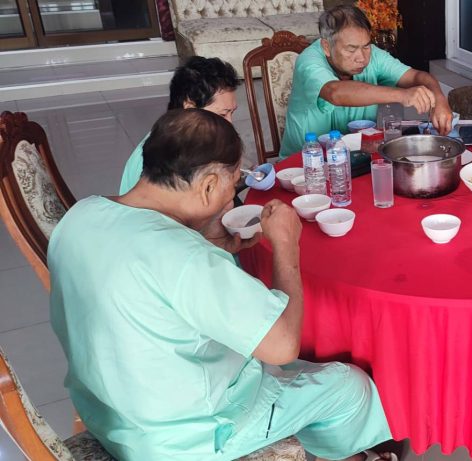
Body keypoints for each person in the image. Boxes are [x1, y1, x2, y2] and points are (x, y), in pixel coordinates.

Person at [49, 109, 393, 461]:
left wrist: (205, 243)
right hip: (184, 439)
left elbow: (143, 276)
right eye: (232, 185)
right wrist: (286, 246)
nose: (231, 199)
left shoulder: (81, 215)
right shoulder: (184, 256)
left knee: (285, 367)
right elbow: (283, 345)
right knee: (349, 387)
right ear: (209, 184)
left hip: (109, 414)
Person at [280, 4, 453, 157]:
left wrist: (439, 99)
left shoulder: (373, 55)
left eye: (366, 46)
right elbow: (335, 93)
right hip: (305, 165)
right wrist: (403, 95)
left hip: (357, 158)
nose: (362, 58)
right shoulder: (309, 61)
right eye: (351, 49)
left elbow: (416, 77)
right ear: (326, 46)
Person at [119, 56, 239, 194]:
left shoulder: (191, 139)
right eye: (222, 115)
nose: (230, 124)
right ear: (190, 108)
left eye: (232, 113)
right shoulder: (160, 158)